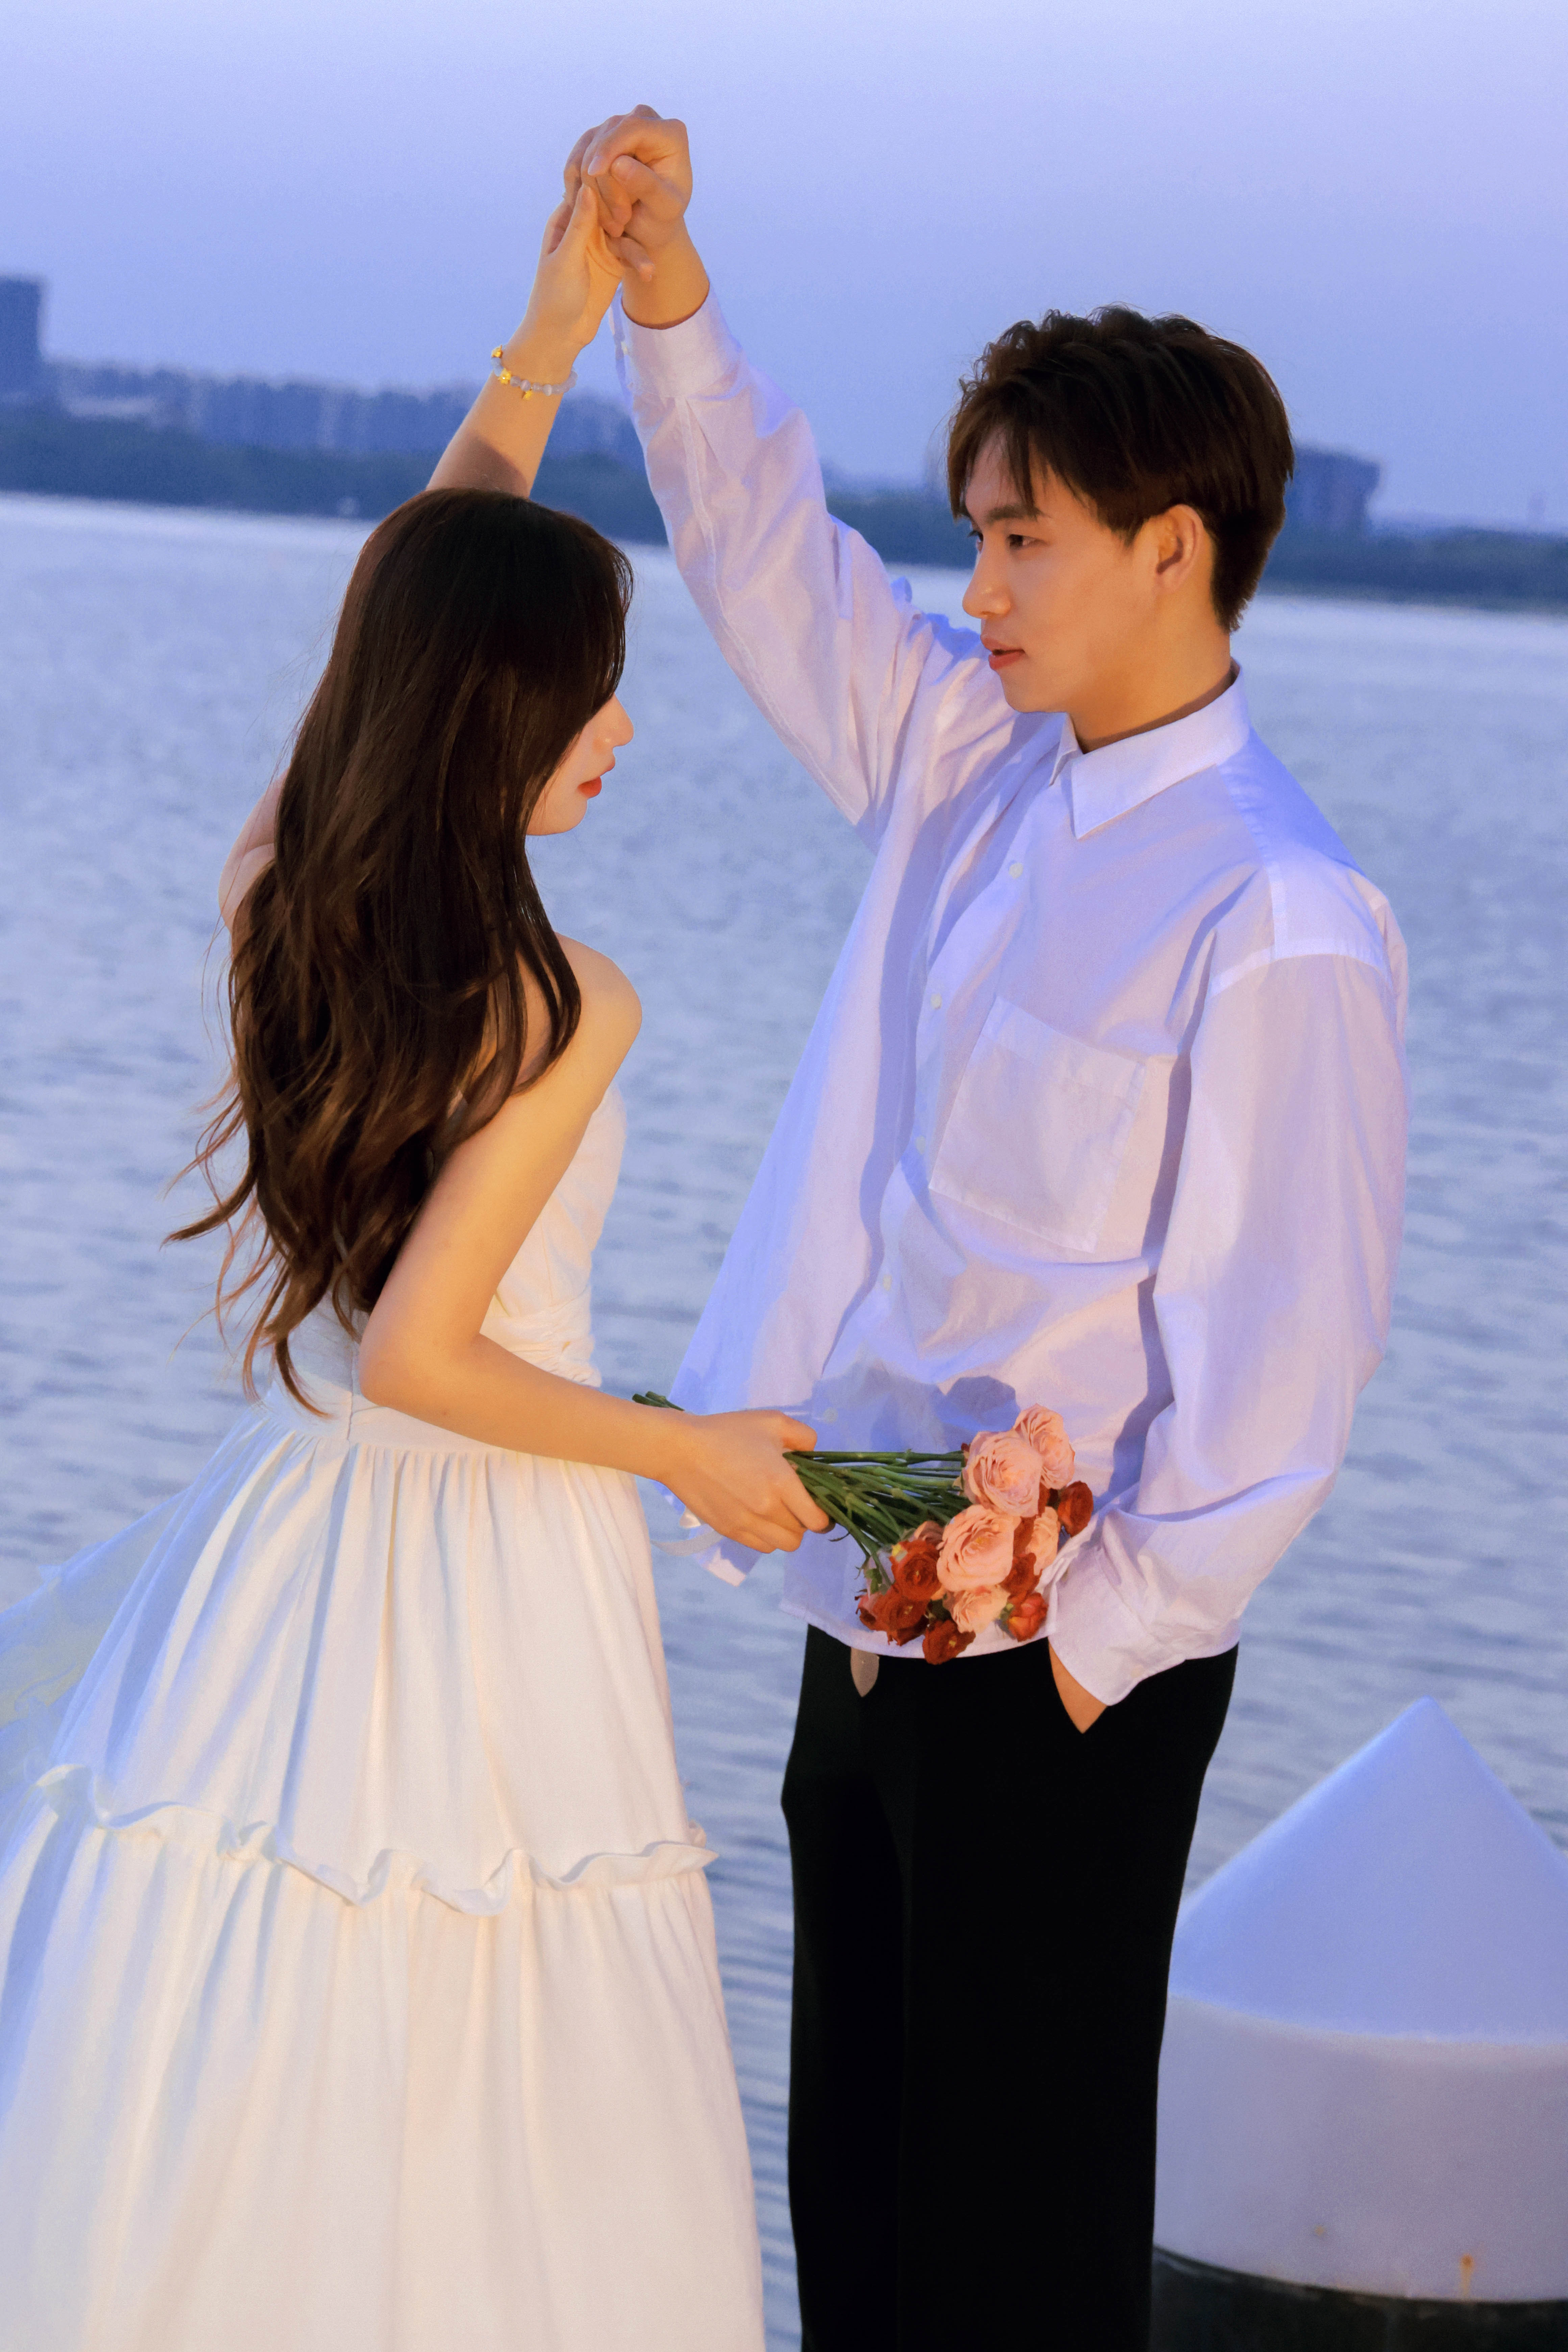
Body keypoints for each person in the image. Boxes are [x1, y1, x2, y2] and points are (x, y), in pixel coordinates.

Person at [554, 109, 1411, 2352]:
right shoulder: (969, 764)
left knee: (1019, 2257)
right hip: (852, 1586)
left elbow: (1283, 1376)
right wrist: (668, 296)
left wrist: (1092, 1651)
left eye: (1027, 541)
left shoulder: (1280, 909)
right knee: (858, 2212)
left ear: (1174, 550)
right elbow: (774, 562)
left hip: (1068, 1669)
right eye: (978, 540)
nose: (986, 590)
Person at [0, 182, 825, 2351]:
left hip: (286, 1544)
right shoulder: (563, 1003)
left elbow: (397, 621)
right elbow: (428, 1361)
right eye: (593, 701)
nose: (620, 734)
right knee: (489, 2010)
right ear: (496, 721)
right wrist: (689, 1451)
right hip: (482, 1554)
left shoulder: (284, 888)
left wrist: (541, 353)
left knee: (278, 1988)